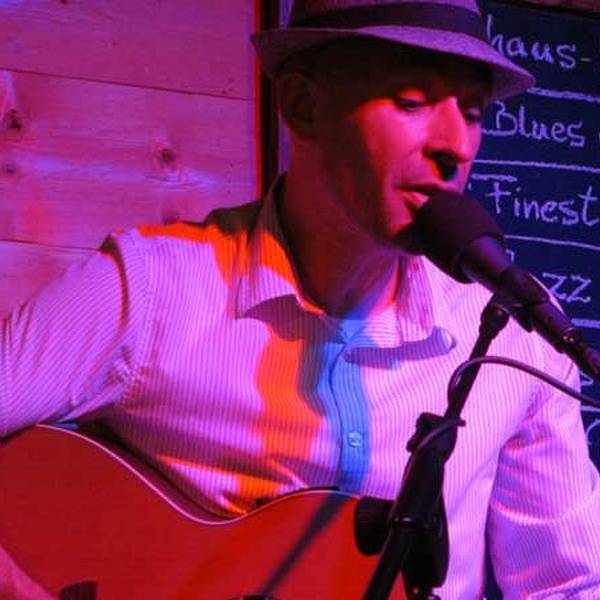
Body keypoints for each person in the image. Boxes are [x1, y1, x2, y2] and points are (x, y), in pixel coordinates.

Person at [2, 0, 600, 598]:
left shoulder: (517, 332)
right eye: (412, 101)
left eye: (472, 113)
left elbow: (569, 582)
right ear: (302, 106)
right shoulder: (150, 289)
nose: (456, 146)